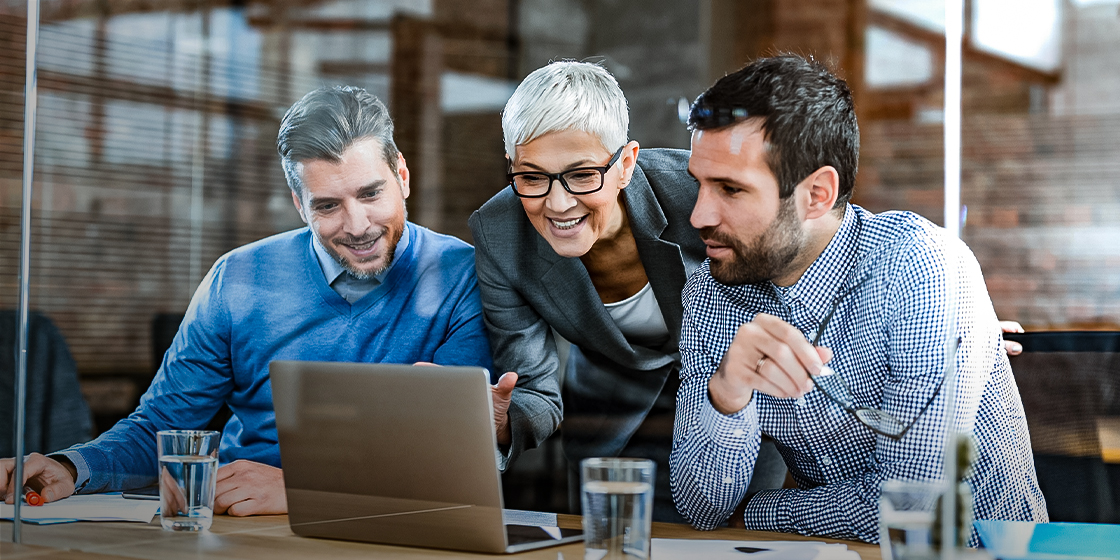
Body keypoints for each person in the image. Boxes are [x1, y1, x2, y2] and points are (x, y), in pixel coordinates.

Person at [0, 86, 492, 515]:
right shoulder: (236, 279)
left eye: (371, 194)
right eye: (327, 205)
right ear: (300, 204)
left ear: (402, 176)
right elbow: (163, 426)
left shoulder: (461, 278)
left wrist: (303, 490)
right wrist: (70, 467)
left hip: (392, 526)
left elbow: (452, 459)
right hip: (241, 525)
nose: (357, 225)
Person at [669, 55, 1047, 543]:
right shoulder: (711, 292)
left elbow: (914, 506)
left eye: (730, 189)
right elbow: (701, 509)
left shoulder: (922, 268)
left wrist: (757, 514)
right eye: (698, 184)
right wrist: (727, 394)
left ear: (817, 194)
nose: (699, 214)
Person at [470, 61, 788, 522]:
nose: (557, 205)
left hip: (735, 411)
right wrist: (502, 423)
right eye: (533, 177)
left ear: (625, 163)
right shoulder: (499, 234)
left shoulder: (694, 192)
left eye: (582, 175)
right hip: (611, 419)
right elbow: (533, 388)